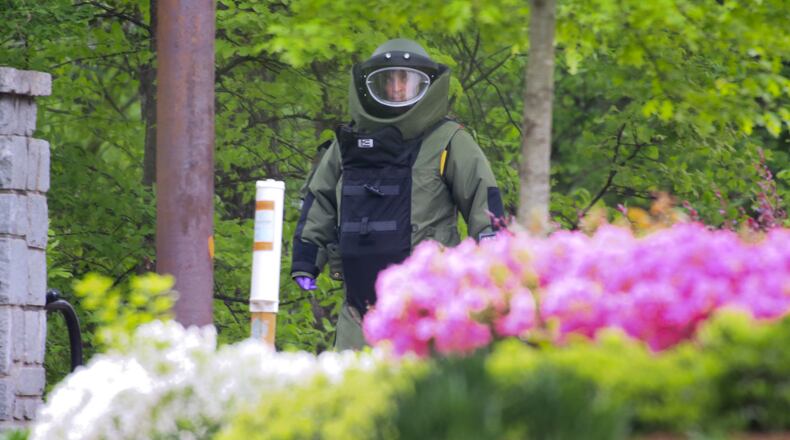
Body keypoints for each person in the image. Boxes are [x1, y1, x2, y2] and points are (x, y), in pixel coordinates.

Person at [290, 38, 505, 350]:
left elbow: (483, 199)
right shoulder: (349, 142)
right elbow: (320, 199)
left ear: (426, 86)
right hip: (358, 305)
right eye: (387, 80)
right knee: (353, 391)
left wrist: (493, 254)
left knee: (422, 393)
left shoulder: (447, 140)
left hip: (429, 301)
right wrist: (307, 258)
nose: (397, 88)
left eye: (407, 79)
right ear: (371, 86)